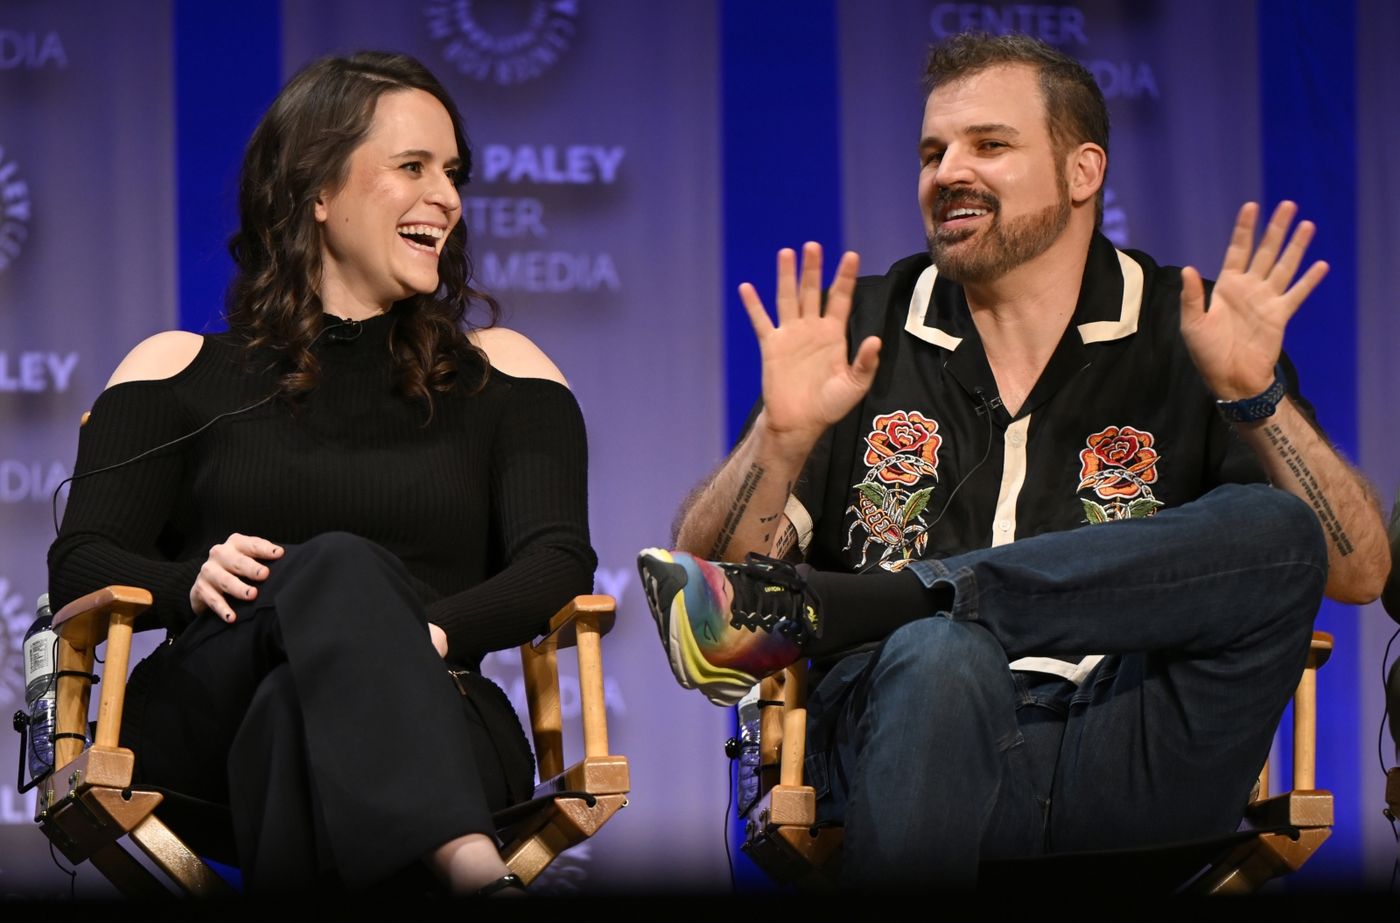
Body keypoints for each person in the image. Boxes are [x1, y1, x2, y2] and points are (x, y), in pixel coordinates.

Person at [637, 32, 1390, 889]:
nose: (948, 172)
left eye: (989, 145)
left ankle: (886, 599)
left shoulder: (1191, 327)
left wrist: (1257, 397)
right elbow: (717, 597)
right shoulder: (863, 330)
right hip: (915, 727)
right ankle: (912, 612)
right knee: (940, 653)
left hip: (1134, 741)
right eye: (932, 153)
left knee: (1279, 530)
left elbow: (1357, 571)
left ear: (1082, 172)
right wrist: (780, 439)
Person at [46, 51, 596, 896]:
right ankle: (475, 870)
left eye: (452, 173)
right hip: (207, 720)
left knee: (295, 714)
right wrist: (189, 582)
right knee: (337, 563)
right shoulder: (176, 368)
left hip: (436, 706)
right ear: (317, 191)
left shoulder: (503, 374)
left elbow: (557, 563)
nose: (447, 197)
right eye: (412, 166)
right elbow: (81, 561)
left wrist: (416, 640)